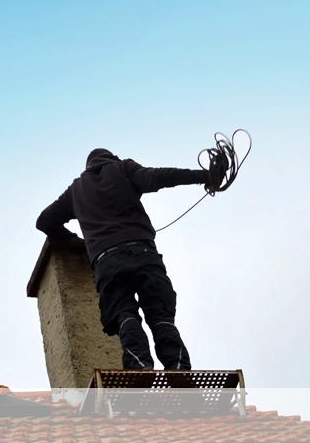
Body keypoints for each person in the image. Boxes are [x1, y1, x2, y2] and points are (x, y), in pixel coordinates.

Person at [35, 148, 224, 370]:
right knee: (160, 315)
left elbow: (44, 221)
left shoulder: (76, 190)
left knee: (124, 316)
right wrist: (204, 176)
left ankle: (139, 367)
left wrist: (77, 241)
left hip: (106, 263)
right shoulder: (123, 168)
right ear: (111, 158)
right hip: (142, 254)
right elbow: (158, 177)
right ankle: (178, 368)